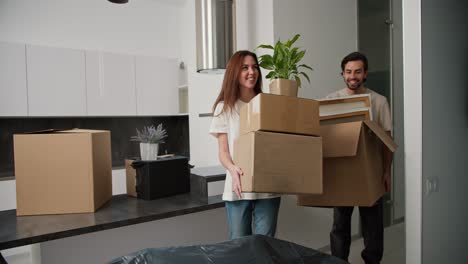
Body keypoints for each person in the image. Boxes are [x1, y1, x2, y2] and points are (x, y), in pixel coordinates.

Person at [327, 51, 393, 264]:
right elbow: (325, 138)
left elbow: (387, 142)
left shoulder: (379, 101)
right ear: (342, 74)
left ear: (365, 74)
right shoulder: (331, 101)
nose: (352, 76)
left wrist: (386, 172)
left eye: (357, 72)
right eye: (348, 72)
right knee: (340, 226)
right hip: (342, 173)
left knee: (372, 227)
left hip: (370, 173)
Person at [209, 50, 281, 239]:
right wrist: (233, 169)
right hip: (238, 185)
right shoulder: (224, 107)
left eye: (255, 67)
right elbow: (223, 152)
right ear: (234, 72)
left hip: (267, 185)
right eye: (245, 67)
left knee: (264, 246)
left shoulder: (268, 104)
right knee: (239, 247)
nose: (252, 72)